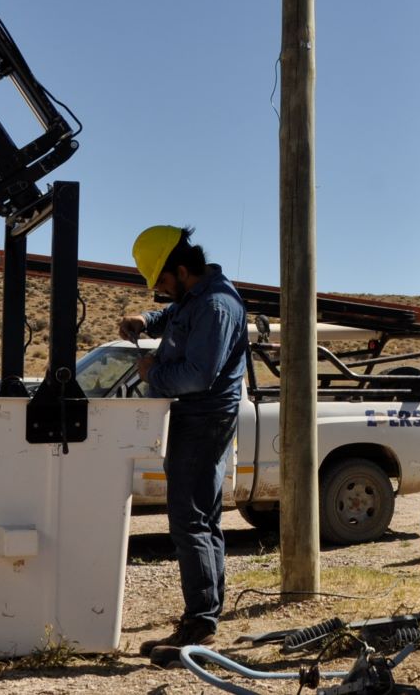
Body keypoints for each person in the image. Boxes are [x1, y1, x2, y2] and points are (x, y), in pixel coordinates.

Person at [120, 225, 248, 667]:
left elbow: (197, 374)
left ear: (180, 269)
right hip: (199, 417)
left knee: (189, 518)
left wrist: (152, 372)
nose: (158, 290)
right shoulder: (196, 297)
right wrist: (146, 319)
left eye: (160, 282)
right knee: (202, 516)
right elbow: (177, 318)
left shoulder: (216, 304)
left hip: (205, 417)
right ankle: (205, 615)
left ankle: (200, 622)